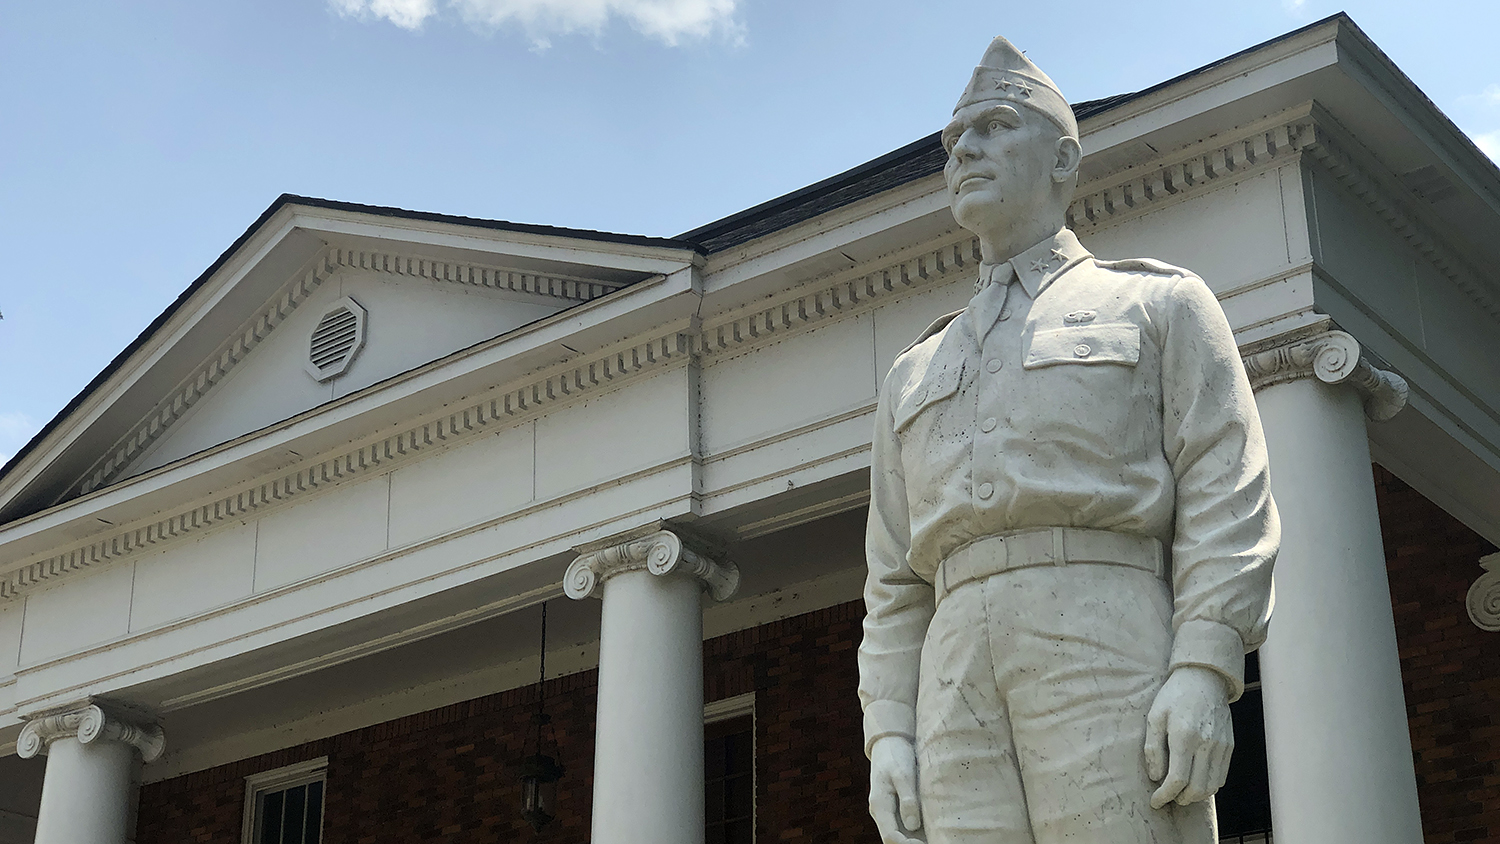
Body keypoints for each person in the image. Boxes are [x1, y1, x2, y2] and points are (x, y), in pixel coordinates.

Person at [860, 36, 1279, 844]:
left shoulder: (1157, 306)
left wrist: (1202, 664)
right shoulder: (913, 372)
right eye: (953, 142)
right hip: (951, 667)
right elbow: (893, 581)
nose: (965, 151)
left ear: (1062, 157)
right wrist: (891, 733)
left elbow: (1227, 490)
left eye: (994, 127)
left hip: (1105, 623)